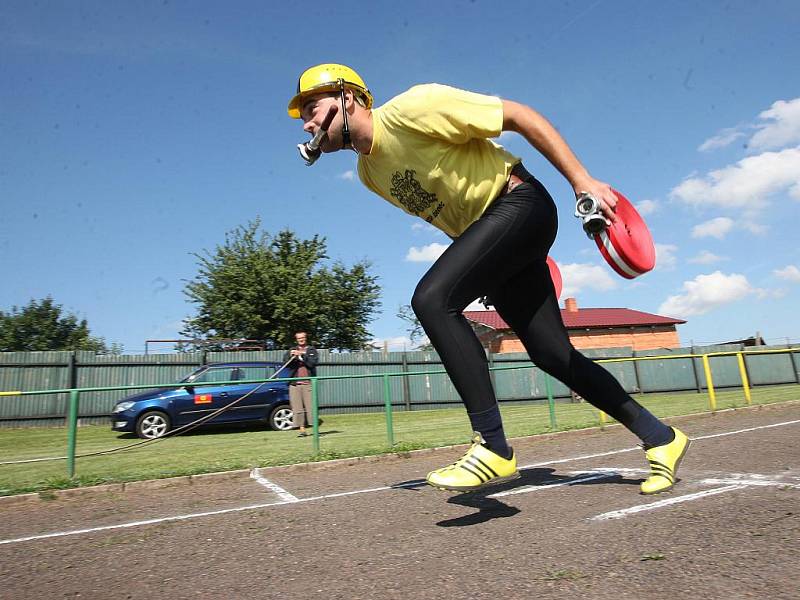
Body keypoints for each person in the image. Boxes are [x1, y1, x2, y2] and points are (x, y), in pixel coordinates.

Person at [287, 64, 690, 494]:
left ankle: (493, 447)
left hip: (520, 204)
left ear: (348, 99)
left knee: (431, 299)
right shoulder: (370, 175)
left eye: (313, 107)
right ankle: (662, 438)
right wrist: (478, 269)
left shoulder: (413, 108)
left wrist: (581, 180)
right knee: (553, 355)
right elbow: (444, 211)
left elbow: (520, 116)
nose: (309, 122)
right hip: (494, 237)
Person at [283, 331, 319, 437]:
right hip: (295, 384)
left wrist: (302, 355)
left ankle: (315, 431)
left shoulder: (311, 350)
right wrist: (291, 355)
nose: (301, 340)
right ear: (296, 339)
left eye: (303, 338)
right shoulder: (292, 349)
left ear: (306, 338)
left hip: (308, 383)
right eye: (299, 338)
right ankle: (302, 430)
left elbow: (313, 363)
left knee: (311, 408)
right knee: (297, 408)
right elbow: (285, 363)